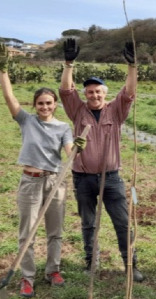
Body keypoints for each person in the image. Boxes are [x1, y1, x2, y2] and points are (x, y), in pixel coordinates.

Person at [0, 45, 85, 298]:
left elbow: (69, 153)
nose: (45, 107)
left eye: (49, 103)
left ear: (55, 105)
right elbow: (10, 99)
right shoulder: (27, 121)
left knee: (55, 231)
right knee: (28, 233)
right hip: (30, 182)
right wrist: (3, 71)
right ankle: (27, 276)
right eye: (40, 103)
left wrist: (77, 149)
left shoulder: (63, 127)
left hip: (55, 182)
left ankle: (53, 270)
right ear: (34, 105)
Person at [58, 38, 144, 282]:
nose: (94, 95)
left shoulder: (115, 111)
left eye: (98, 91)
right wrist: (68, 63)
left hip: (112, 178)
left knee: (122, 222)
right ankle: (91, 263)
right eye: (90, 92)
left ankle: (130, 265)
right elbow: (65, 91)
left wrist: (132, 66)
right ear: (85, 94)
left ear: (104, 94)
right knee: (88, 223)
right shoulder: (77, 110)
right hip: (83, 178)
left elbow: (129, 93)